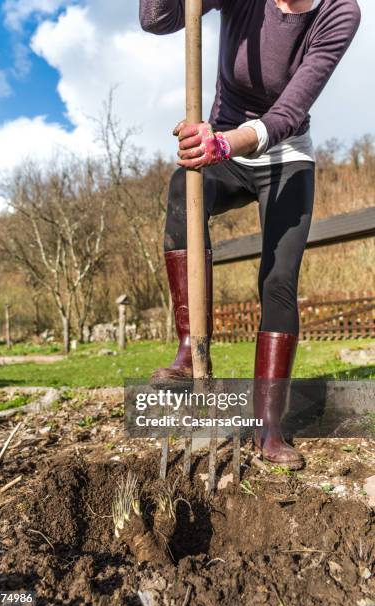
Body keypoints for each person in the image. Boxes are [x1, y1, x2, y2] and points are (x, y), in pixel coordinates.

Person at [139, 0, 361, 469]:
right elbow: (157, 20)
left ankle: (269, 428)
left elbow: (289, 111)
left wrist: (222, 142)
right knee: (182, 191)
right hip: (223, 150)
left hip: (284, 155)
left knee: (278, 281)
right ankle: (190, 350)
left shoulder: (340, 12)